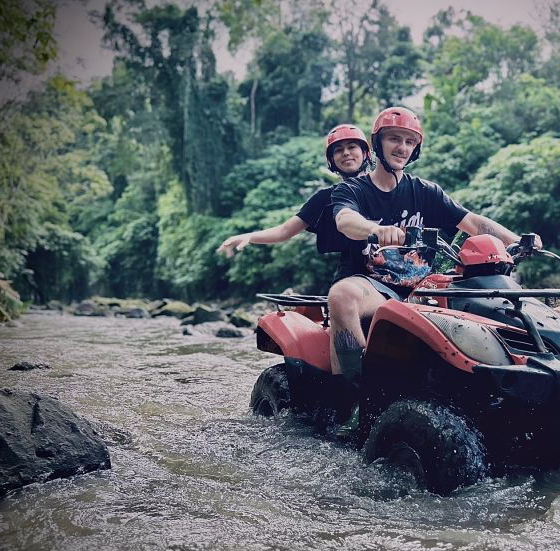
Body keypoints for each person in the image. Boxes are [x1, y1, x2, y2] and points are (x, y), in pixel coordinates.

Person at [328, 106, 541, 381]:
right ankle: (354, 399)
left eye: (409, 142)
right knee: (340, 295)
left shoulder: (426, 191)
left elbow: (473, 223)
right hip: (374, 287)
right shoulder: (352, 189)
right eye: (394, 138)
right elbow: (345, 220)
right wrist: (376, 229)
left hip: (425, 288)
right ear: (377, 144)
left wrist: (518, 240)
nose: (402, 147)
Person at [216, 124, 371, 259]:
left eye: (352, 147)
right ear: (332, 161)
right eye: (338, 150)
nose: (345, 153)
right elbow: (285, 231)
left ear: (365, 153)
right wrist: (249, 237)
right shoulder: (326, 198)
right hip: (352, 278)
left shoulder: (385, 187)